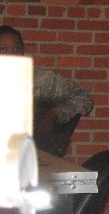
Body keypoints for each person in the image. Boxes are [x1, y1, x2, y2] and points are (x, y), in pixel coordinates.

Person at [0, 26, 94, 156]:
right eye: (3, 49)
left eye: (16, 48)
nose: (11, 54)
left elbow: (83, 97)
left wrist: (55, 114)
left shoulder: (40, 80)